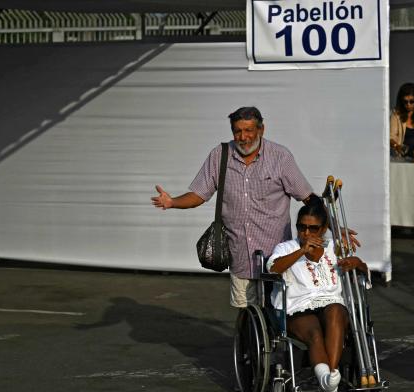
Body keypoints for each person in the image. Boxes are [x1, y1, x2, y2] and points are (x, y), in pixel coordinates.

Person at [151, 107, 359, 308]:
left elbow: (309, 199)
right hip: (240, 256)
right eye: (238, 131)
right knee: (247, 318)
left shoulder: (280, 157)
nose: (243, 137)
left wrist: (334, 227)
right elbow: (199, 194)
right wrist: (172, 202)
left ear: (261, 129)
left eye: (249, 130)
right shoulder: (220, 156)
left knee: (278, 316)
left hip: (277, 258)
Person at [267, 199, 367, 392]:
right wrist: (302, 251)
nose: (306, 233)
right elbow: (273, 268)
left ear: (323, 230)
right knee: (314, 332)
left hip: (332, 305)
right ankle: (329, 378)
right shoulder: (286, 248)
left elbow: (363, 274)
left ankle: (328, 377)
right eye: (301, 227)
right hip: (298, 306)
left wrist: (358, 263)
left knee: (337, 310)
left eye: (313, 228)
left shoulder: (335, 248)